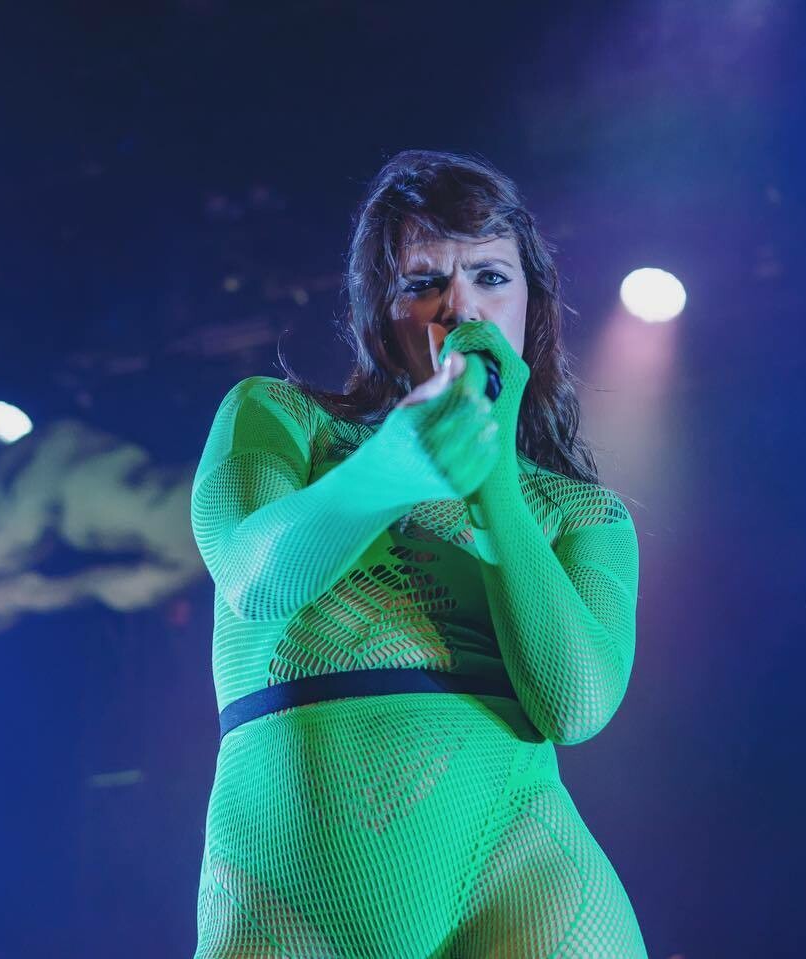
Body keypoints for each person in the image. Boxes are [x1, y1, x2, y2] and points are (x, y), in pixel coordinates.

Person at [189, 149, 648, 958]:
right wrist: (398, 464)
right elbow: (253, 576)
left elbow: (576, 706)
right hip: (293, 883)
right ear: (380, 309)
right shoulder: (282, 419)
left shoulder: (582, 511)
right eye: (424, 282)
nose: (460, 306)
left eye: (490, 277)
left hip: (526, 870)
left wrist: (491, 472)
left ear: (532, 305)